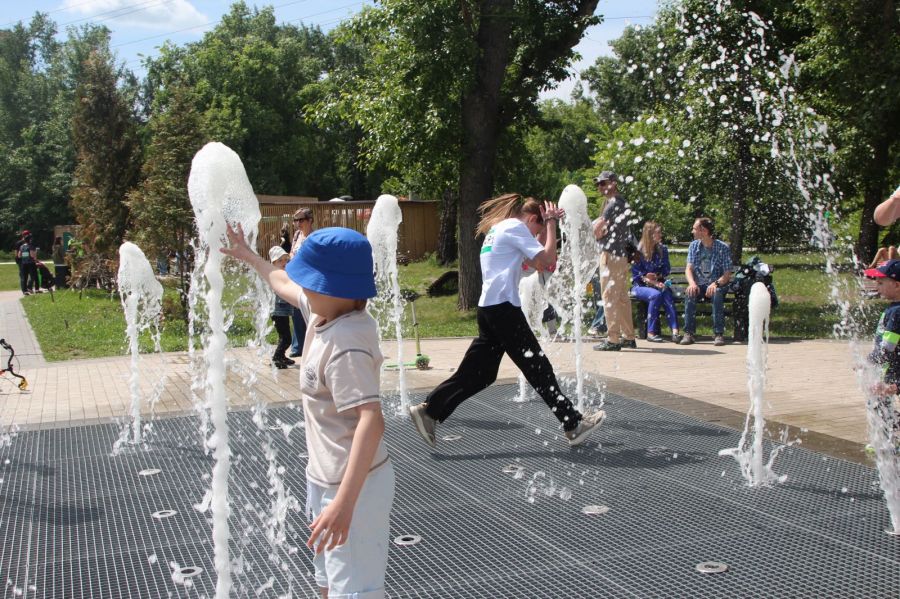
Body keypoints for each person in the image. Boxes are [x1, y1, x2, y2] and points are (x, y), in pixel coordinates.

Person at [222, 224, 394, 599]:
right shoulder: (325, 313)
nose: (303, 287)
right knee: (328, 581)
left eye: (310, 280)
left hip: (353, 488)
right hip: (326, 478)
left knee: (354, 590)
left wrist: (345, 506)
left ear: (333, 288)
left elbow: (371, 420)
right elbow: (282, 282)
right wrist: (248, 255)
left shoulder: (347, 344)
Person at [408, 194, 606, 448]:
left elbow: (542, 264)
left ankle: (429, 411)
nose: (535, 236)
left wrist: (546, 228)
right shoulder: (514, 227)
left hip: (489, 310)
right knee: (538, 368)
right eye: (537, 228)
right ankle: (573, 424)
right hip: (503, 310)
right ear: (532, 219)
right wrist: (551, 223)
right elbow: (547, 259)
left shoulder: (499, 230)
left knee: (481, 374)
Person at [592, 171, 638, 351]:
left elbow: (598, 227)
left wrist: (598, 234)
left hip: (611, 255)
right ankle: (629, 336)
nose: (600, 187)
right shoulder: (623, 202)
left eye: (603, 183)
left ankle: (613, 339)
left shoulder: (612, 204)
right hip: (622, 256)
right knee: (621, 297)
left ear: (613, 183)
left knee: (609, 296)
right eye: (598, 184)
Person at [862, 259, 900, 449]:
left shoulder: (897, 312)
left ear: (897, 284)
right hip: (891, 367)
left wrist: (868, 361)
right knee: (880, 403)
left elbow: (888, 347)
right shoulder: (894, 309)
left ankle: (888, 442)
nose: (878, 286)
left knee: (879, 401)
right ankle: (887, 440)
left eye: (881, 282)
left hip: (893, 368)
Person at [681, 217, 733, 346]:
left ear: (703, 231)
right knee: (690, 293)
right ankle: (689, 333)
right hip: (699, 284)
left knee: (717, 294)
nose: (692, 231)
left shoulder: (722, 247)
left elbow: (727, 275)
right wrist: (692, 283)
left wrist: (715, 283)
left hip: (717, 284)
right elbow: (688, 268)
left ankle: (718, 334)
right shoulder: (694, 246)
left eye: (694, 228)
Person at [631, 221, 681, 343]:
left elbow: (666, 269)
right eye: (658, 232)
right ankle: (651, 333)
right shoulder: (638, 251)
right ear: (650, 234)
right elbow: (636, 275)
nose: (661, 235)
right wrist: (648, 278)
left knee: (667, 295)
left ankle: (675, 332)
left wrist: (657, 276)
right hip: (640, 286)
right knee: (656, 295)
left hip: (659, 284)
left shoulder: (662, 249)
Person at [289, 207, 314, 358]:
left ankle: (310, 344)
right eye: (295, 220)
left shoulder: (313, 236)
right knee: (296, 311)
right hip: (296, 277)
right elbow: (293, 251)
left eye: (301, 220)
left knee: (308, 310)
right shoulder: (297, 235)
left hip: (309, 277)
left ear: (310, 220)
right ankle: (298, 345)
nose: (298, 223)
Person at [268, 246, 295, 369]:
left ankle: (281, 356)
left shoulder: (284, 274)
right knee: (286, 338)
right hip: (277, 312)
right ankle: (276, 359)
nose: (284, 263)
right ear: (273, 263)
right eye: (280, 261)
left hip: (282, 311)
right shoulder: (274, 275)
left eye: (286, 260)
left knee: (283, 336)